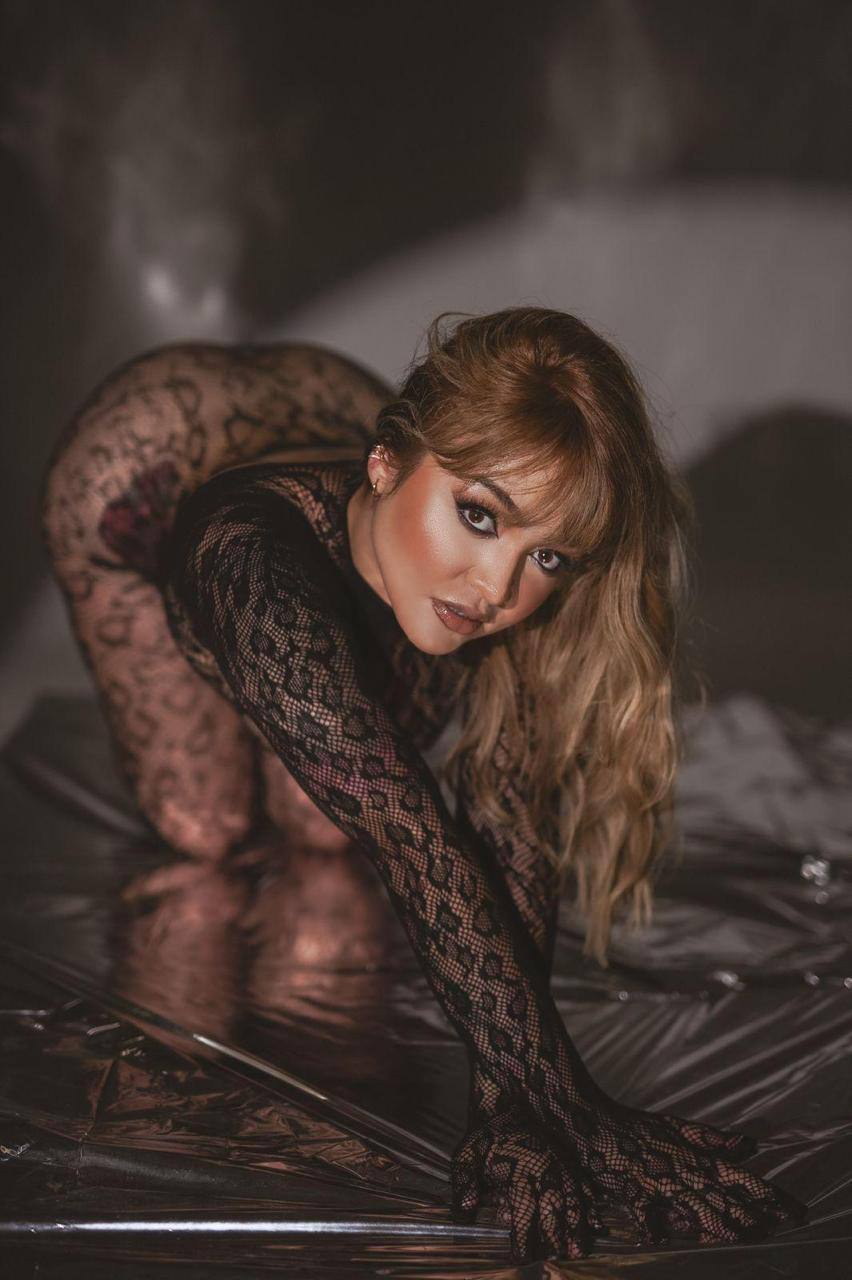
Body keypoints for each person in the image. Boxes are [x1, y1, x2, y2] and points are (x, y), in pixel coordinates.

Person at [41, 307, 807, 1263]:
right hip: (137, 474)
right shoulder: (243, 554)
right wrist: (574, 1109)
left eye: (547, 557)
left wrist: (512, 1102)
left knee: (325, 823)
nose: (495, 589)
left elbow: (509, 820)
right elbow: (416, 841)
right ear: (385, 464)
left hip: (332, 421)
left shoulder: (480, 564)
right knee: (205, 821)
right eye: (479, 516)